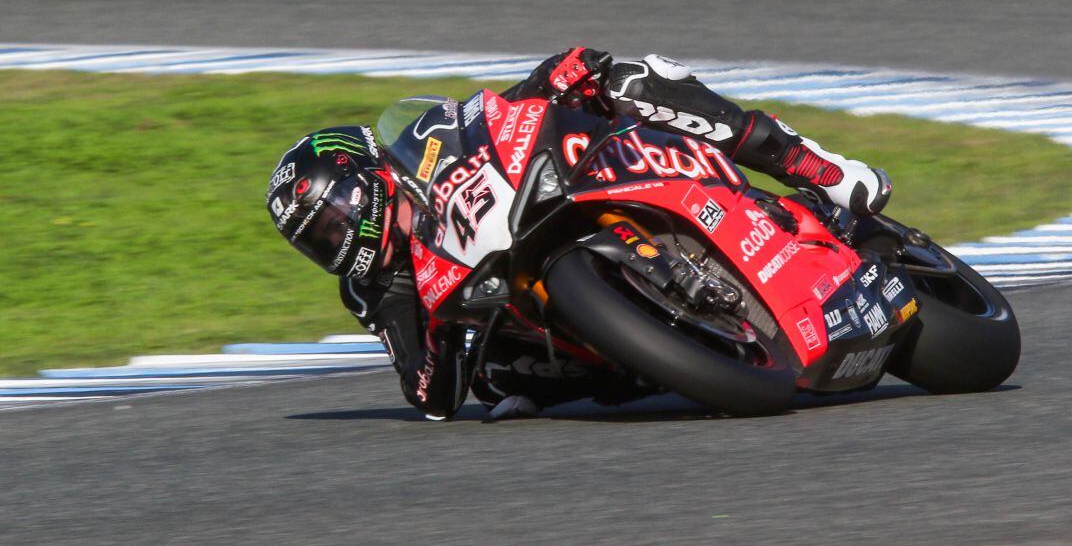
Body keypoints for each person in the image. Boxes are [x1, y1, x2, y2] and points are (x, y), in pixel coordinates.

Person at [266, 48, 892, 420]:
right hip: (530, 307)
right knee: (502, 384)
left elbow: (490, 114)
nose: (336, 238)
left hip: (564, 181)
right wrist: (441, 331)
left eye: (332, 217)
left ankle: (824, 171)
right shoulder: (373, 289)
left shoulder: (423, 147)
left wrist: (554, 78)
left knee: (632, 80)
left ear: (365, 177)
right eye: (318, 240)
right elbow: (427, 393)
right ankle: (650, 353)